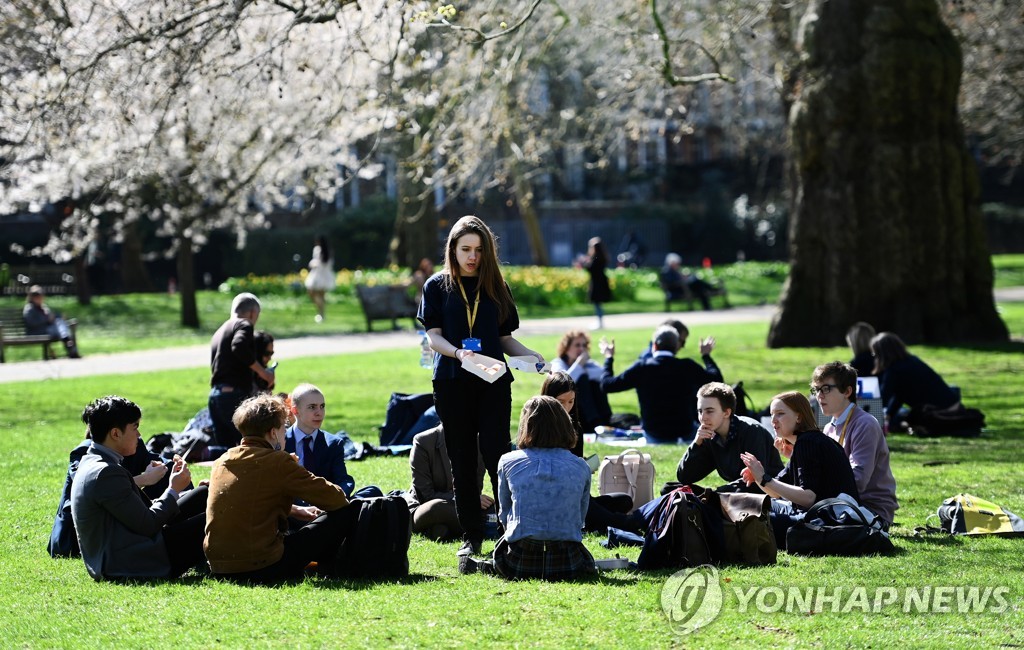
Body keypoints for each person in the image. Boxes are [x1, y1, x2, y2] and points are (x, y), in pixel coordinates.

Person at [418, 215, 545, 562]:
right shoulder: (436, 286)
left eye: (478, 250)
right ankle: (471, 537)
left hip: (492, 381)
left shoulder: (496, 287)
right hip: (452, 381)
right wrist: (460, 353)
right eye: (465, 249)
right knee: (461, 458)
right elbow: (434, 337)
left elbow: (503, 339)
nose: (472, 256)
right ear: (453, 251)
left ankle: (509, 531)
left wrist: (531, 356)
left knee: (496, 454)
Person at [204, 394, 355, 583]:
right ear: (273, 433)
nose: (286, 433)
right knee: (345, 513)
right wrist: (292, 468)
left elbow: (250, 501)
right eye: (285, 428)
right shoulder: (277, 461)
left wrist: (295, 509)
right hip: (262, 565)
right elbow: (336, 498)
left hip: (219, 566)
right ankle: (333, 565)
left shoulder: (222, 461)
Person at [70, 396, 207, 580]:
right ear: (115, 434)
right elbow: (149, 524)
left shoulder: (93, 461)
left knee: (204, 495)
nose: (139, 435)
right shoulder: (106, 472)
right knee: (217, 514)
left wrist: (181, 492)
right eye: (135, 428)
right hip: (133, 563)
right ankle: (236, 563)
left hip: (127, 551)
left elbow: (139, 514)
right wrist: (173, 489)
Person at [461, 396, 596, 580]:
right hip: (568, 561)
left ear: (526, 425)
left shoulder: (508, 461)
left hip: (517, 561)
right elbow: (580, 518)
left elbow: (505, 513)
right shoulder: (581, 466)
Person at [739, 391, 859, 549]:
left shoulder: (808, 442)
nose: (773, 420)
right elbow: (776, 492)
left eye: (780, 414)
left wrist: (764, 478)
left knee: (752, 516)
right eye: (772, 414)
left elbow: (808, 498)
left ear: (799, 417)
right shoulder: (804, 443)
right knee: (750, 503)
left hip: (830, 520)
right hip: (823, 517)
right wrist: (758, 477)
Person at [540, 371, 642, 534]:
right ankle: (620, 523)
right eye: (560, 402)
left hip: (576, 491)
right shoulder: (538, 428)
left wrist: (584, 468)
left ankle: (597, 522)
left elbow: (576, 468)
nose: (566, 408)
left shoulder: (575, 428)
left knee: (623, 500)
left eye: (571, 402)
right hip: (553, 494)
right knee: (582, 501)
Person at [49, 433, 174, 558]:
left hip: (119, 522)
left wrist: (170, 466)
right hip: (78, 536)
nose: (138, 433)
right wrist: (144, 479)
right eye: (133, 426)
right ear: (115, 432)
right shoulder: (85, 451)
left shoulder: (133, 445)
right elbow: (93, 487)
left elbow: (152, 459)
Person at [601, 325, 723, 443]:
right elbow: (717, 380)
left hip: (655, 433)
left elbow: (607, 385)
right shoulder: (687, 366)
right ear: (676, 346)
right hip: (685, 431)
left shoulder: (642, 368)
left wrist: (609, 358)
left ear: (654, 346)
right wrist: (706, 355)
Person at [812, 362, 898, 528]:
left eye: (826, 389)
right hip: (843, 502)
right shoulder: (830, 427)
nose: (819, 396)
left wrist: (814, 495)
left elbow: (858, 480)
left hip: (870, 510)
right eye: (816, 389)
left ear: (847, 391)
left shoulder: (864, 424)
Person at [676, 382, 784, 493]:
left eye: (709, 411)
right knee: (672, 488)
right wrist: (696, 443)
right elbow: (684, 477)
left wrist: (716, 494)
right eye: (700, 411)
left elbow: (754, 481)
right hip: (736, 493)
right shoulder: (710, 436)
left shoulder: (751, 431)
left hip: (768, 494)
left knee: (707, 498)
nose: (703, 417)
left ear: (726, 412)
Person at [284, 383, 380, 499]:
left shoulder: (333, 443)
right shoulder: (281, 440)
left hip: (325, 503)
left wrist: (336, 497)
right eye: (312, 407)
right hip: (292, 504)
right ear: (295, 411)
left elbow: (343, 479)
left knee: (373, 491)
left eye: (322, 406)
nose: (319, 412)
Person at [208, 292, 275, 447]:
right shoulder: (243, 324)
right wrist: (263, 372)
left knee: (227, 448)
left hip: (215, 395)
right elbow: (238, 346)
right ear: (253, 313)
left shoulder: (220, 330)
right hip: (233, 395)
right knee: (248, 444)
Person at [405, 424, 491, 542]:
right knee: (436, 507)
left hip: (462, 508)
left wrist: (471, 499)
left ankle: (442, 530)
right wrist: (466, 499)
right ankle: (490, 524)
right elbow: (425, 495)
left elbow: (475, 489)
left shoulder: (478, 442)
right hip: (424, 506)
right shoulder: (423, 441)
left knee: (491, 506)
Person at [870, 332, 960, 431]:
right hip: (953, 404)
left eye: (875, 354)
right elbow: (900, 395)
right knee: (899, 414)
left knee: (899, 416)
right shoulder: (912, 360)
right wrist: (889, 414)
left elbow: (883, 399)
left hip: (939, 412)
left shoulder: (894, 371)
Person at [550, 329, 612, 433]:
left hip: (588, 410)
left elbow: (604, 376)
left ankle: (605, 422)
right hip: (566, 411)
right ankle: (595, 423)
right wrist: (579, 365)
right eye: (577, 345)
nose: (581, 349)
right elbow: (562, 381)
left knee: (594, 383)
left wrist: (608, 357)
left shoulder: (588, 363)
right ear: (566, 347)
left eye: (584, 345)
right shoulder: (557, 363)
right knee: (582, 379)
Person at [22, 285, 80, 358]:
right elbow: (31, 323)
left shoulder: (43, 307)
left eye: (41, 296)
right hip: (36, 332)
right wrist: (47, 320)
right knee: (58, 326)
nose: (40, 298)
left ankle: (67, 342)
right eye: (37, 297)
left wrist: (58, 317)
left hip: (48, 330)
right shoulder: (29, 309)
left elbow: (51, 318)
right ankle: (67, 342)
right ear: (32, 298)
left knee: (59, 321)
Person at [305, 234, 336, 323]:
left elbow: (317, 262)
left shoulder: (317, 250)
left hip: (318, 275)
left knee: (313, 292)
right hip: (326, 275)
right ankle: (322, 313)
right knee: (321, 296)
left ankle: (321, 313)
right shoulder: (329, 251)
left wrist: (312, 264)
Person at [583, 237, 611, 329]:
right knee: (598, 304)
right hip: (601, 283)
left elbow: (591, 269)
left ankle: (600, 322)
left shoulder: (596, 258)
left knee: (597, 303)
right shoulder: (602, 257)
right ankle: (599, 321)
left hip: (597, 284)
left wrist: (584, 263)